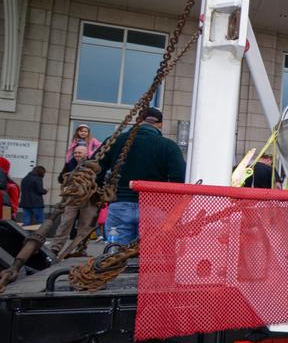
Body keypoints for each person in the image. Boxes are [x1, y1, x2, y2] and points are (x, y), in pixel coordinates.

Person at [97, 107, 186, 246]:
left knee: (114, 256)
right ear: (160, 124)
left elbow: (96, 168)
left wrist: (99, 194)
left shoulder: (116, 141)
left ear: (139, 121)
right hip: (154, 207)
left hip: (120, 204)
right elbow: (179, 178)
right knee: (151, 257)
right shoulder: (168, 146)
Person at [48, 145, 100, 256]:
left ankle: (80, 248)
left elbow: (98, 180)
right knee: (66, 221)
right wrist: (70, 177)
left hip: (89, 197)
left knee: (85, 224)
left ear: (86, 154)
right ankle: (56, 247)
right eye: (76, 152)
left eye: (80, 152)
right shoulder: (69, 164)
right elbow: (61, 178)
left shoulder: (93, 164)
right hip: (72, 197)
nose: (77, 154)